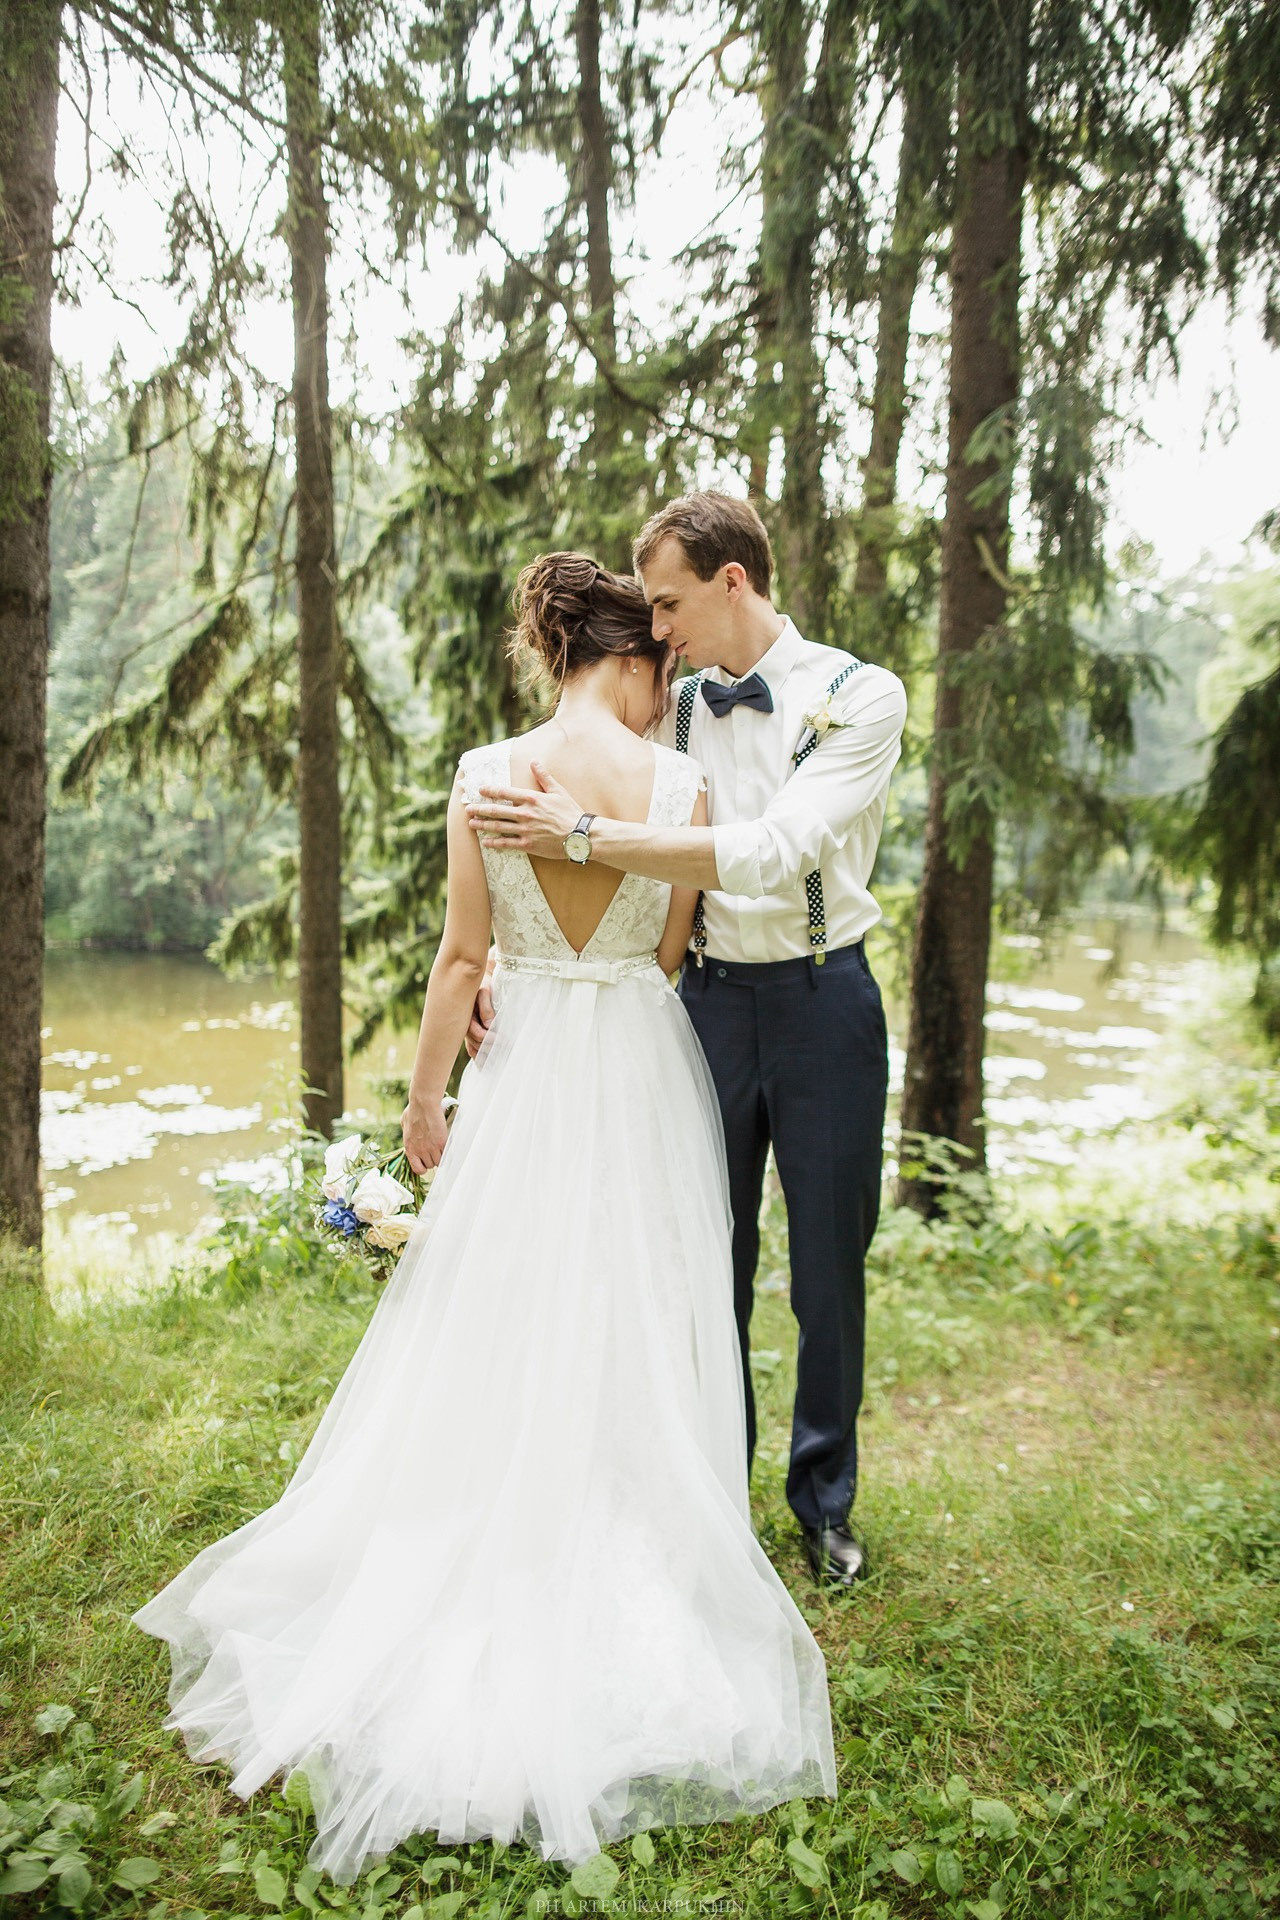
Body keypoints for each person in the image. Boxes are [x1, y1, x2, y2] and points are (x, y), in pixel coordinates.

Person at [129, 552, 836, 1887]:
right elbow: (671, 954)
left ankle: (488, 1527)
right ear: (631, 658)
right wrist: (592, 954)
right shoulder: (677, 783)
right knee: (633, 1304)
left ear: (554, 651)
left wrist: (423, 1107)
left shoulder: (487, 774)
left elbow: (464, 958)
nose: (662, 690)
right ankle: (623, 1536)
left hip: (526, 1080)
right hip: (636, 1068)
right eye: (661, 669)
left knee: (498, 1311)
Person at [467, 493, 907, 1591]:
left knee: (825, 1272)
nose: (654, 630)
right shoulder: (672, 704)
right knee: (691, 1255)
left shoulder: (860, 696)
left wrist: (580, 833)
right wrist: (493, 973)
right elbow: (568, 764)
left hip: (821, 1001)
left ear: (732, 581)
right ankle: (704, 1492)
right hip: (702, 1005)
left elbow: (767, 851)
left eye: (667, 603)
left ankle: (823, 1503)